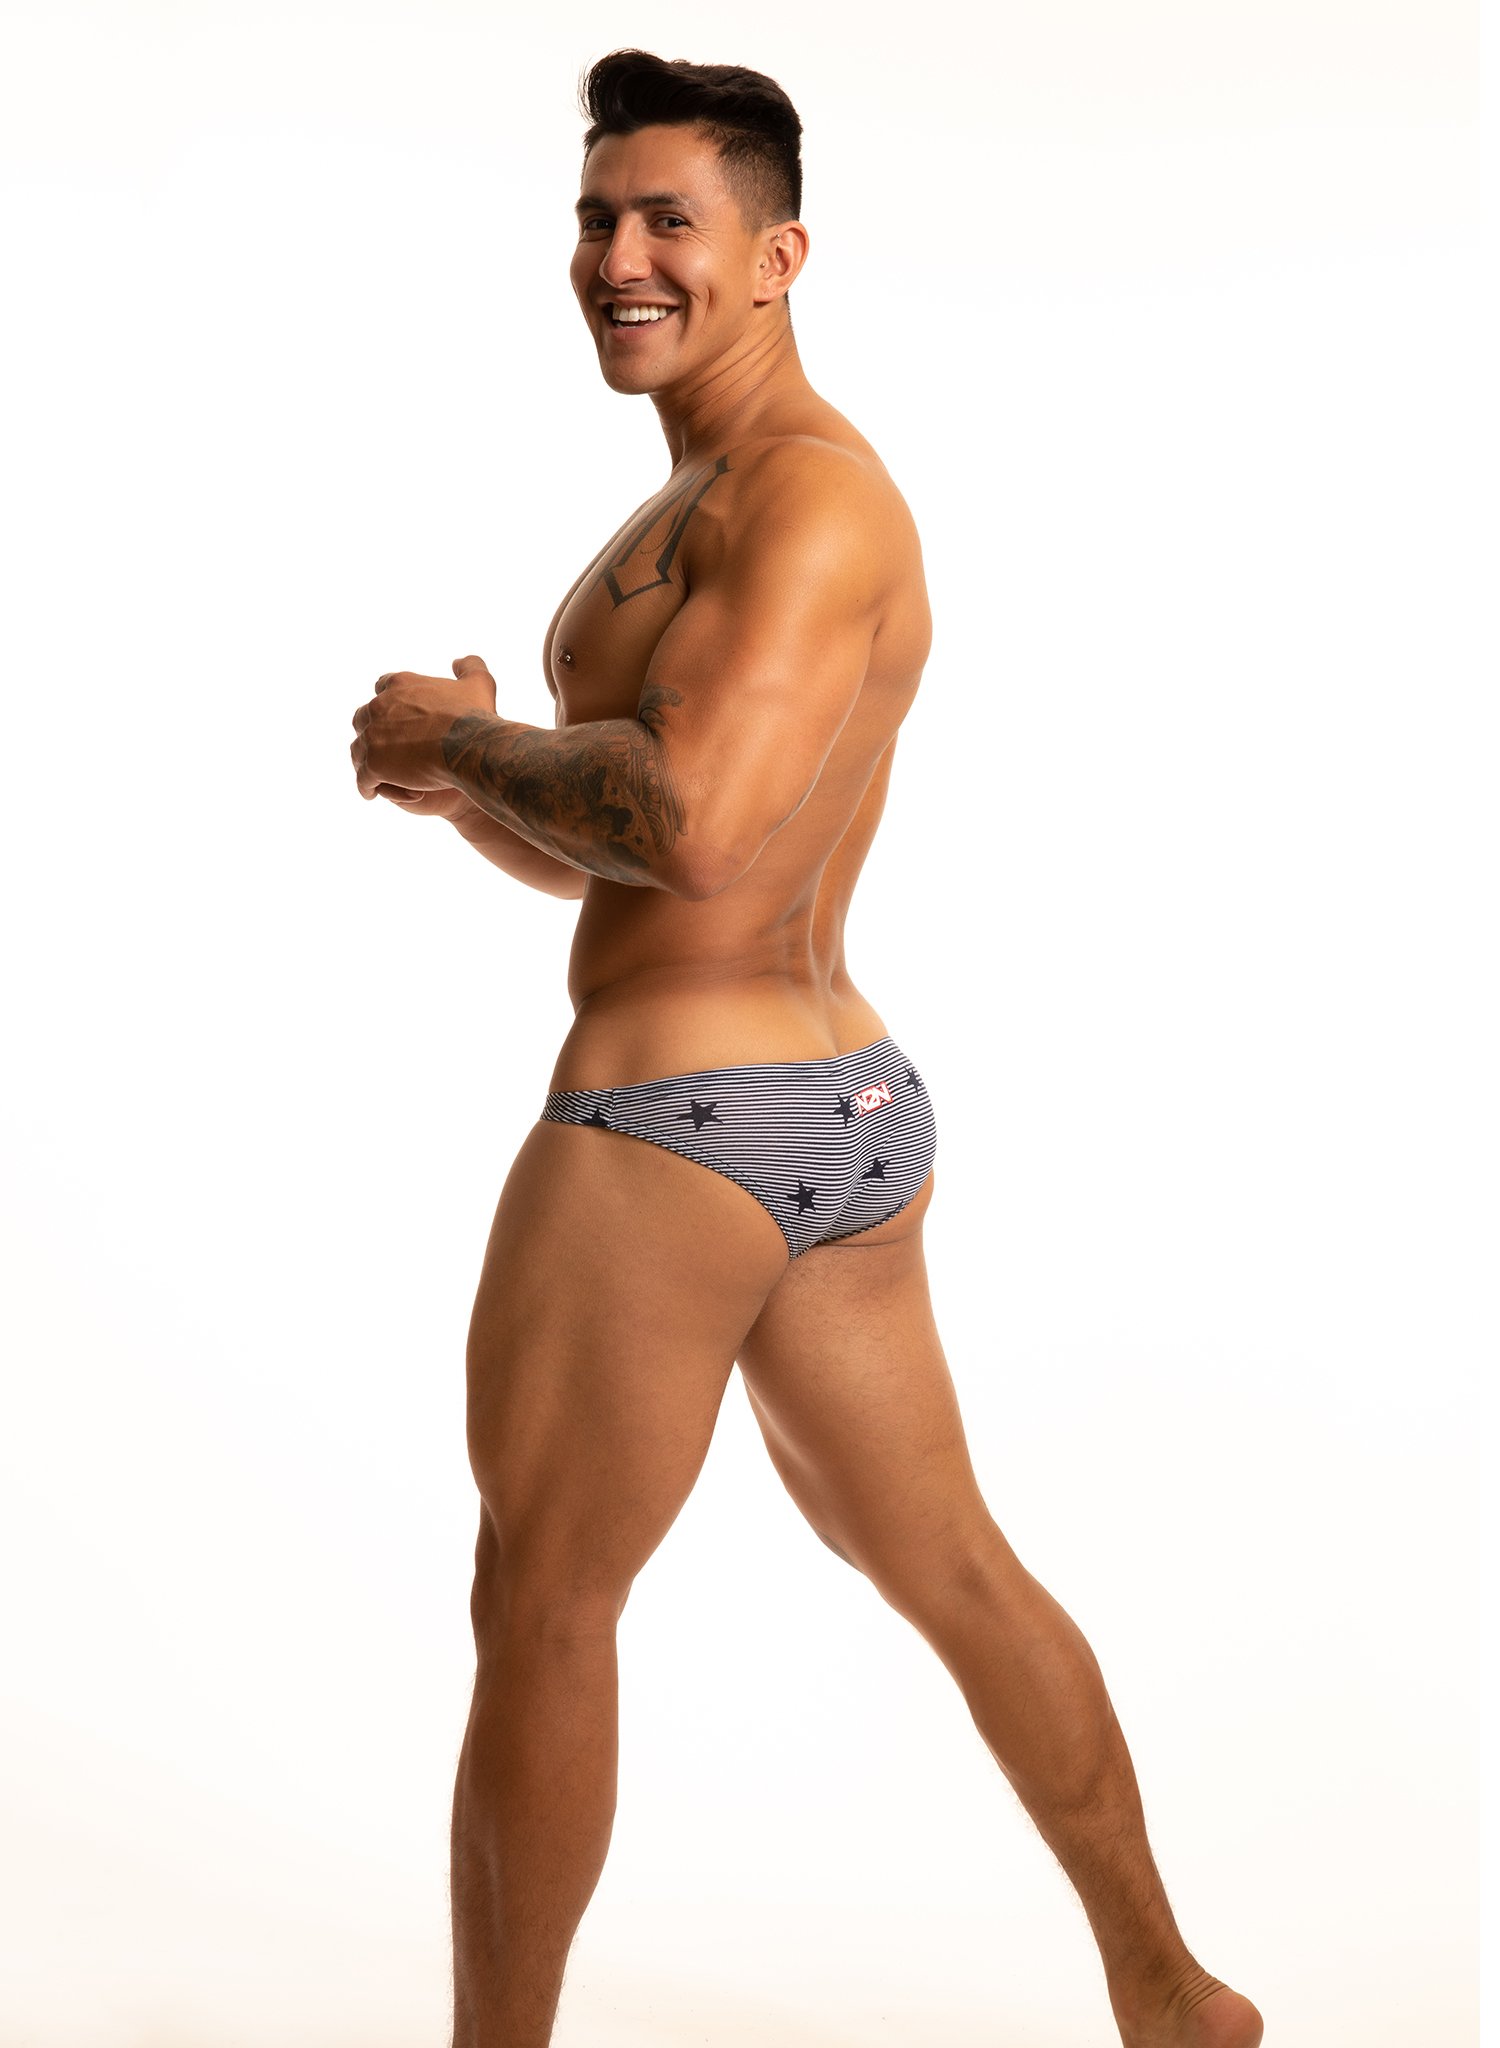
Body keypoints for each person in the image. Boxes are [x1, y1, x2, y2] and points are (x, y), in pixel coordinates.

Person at [348, 48, 1263, 2048]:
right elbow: (647, 844)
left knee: (544, 1602)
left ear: (779, 256)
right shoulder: (705, 491)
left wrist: (472, 739)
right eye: (598, 218)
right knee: (949, 1567)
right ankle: (1174, 1995)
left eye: (669, 220)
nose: (620, 258)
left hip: (675, 1125)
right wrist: (466, 788)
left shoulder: (810, 495)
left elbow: (687, 823)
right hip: (831, 1105)